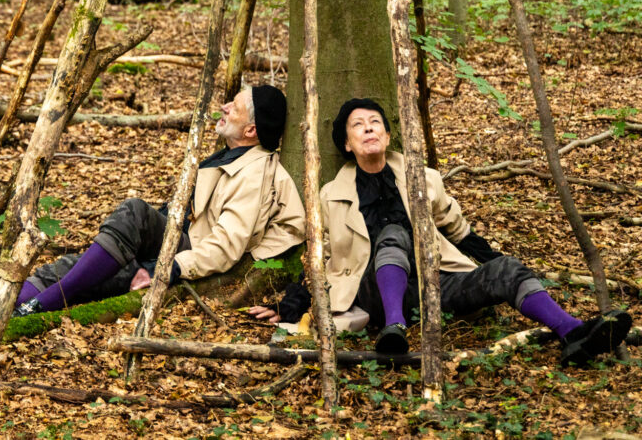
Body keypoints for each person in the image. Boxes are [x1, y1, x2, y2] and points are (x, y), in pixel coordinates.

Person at [250, 98, 631, 365]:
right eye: (358, 126)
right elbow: (322, 258)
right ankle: (394, 328)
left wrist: (497, 265)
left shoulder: (423, 178)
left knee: (507, 269)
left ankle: (574, 333)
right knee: (394, 235)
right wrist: (290, 305)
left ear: (386, 135)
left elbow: (459, 231)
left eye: (375, 124)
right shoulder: (332, 194)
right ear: (347, 145)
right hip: (371, 295)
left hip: (433, 284)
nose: (368, 129)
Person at [0, 85, 305, 319]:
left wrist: (165, 268)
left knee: (133, 214)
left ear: (252, 128)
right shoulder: (232, 156)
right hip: (173, 242)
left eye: (233, 106)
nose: (223, 107)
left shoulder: (256, 174)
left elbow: (225, 247)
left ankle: (40, 306)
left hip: (185, 252)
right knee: (77, 270)